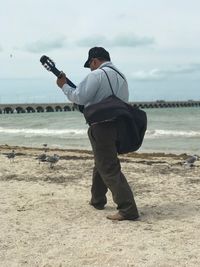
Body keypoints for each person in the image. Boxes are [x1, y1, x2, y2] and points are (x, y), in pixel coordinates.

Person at [56, 47, 139, 221]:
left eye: (91, 65)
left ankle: (128, 208)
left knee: (108, 166)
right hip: (119, 125)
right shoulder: (122, 76)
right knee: (101, 161)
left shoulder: (97, 75)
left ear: (94, 61)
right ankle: (97, 200)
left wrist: (63, 86)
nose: (91, 69)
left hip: (102, 126)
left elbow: (79, 97)